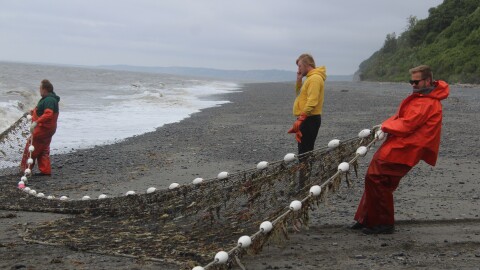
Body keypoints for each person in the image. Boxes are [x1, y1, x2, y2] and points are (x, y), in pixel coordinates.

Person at [352, 65, 449, 234]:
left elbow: (407, 124)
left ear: (427, 80)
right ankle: (367, 218)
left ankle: (382, 223)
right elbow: (401, 118)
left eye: (416, 81)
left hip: (407, 149)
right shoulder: (422, 98)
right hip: (401, 146)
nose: (412, 84)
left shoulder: (427, 102)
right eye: (411, 81)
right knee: (379, 180)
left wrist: (385, 126)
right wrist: (384, 125)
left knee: (377, 178)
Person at [288, 53, 327, 155]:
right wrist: (299, 80)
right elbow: (299, 94)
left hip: (310, 119)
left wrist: (301, 119)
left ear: (307, 64)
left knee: (305, 152)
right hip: (307, 118)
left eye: (300, 66)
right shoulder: (310, 78)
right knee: (304, 150)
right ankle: (305, 170)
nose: (298, 70)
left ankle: (305, 170)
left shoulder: (314, 79)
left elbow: (312, 101)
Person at [20, 79, 60, 176]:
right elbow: (41, 110)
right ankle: (45, 170)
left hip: (43, 129)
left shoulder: (49, 100)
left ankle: (26, 169)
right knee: (43, 149)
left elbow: (48, 114)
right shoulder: (50, 99)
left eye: (40, 88)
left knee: (31, 147)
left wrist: (36, 122)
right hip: (49, 130)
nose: (39, 90)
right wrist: (33, 111)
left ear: (45, 89)